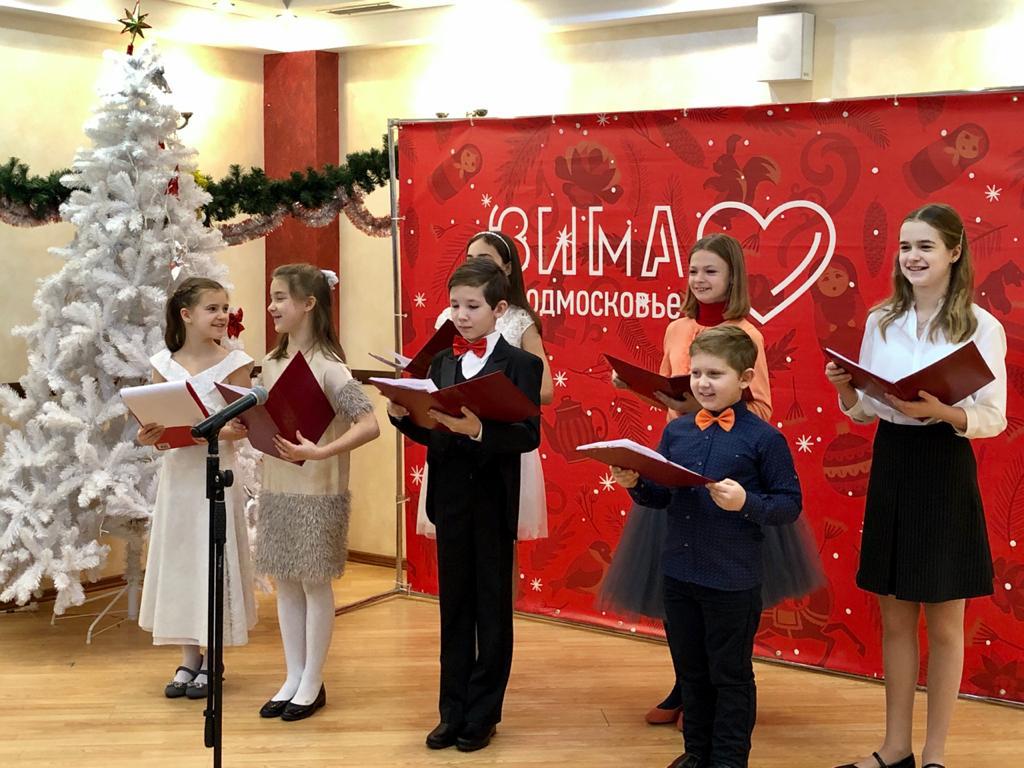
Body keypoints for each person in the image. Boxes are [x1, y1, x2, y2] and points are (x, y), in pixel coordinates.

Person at [599, 233, 820, 727]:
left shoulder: (747, 334)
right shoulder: (677, 328)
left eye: (711, 271)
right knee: (676, 594)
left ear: (733, 277)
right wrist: (639, 388)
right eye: (693, 270)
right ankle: (686, 687)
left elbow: (760, 409)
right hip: (679, 468)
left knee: (720, 600)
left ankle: (718, 696)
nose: (699, 280)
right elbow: (673, 397)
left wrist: (698, 406)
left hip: (727, 483)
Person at [828, 204, 1007, 768]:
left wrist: (942, 411)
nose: (912, 256)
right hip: (894, 460)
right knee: (896, 618)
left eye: (925, 246)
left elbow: (993, 416)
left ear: (954, 252)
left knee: (946, 622)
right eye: (905, 246)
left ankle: (934, 755)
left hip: (944, 463)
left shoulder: (981, 326)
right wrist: (846, 388)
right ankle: (895, 748)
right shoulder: (881, 320)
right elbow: (865, 410)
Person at [612, 325, 802, 768]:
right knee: (691, 671)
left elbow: (789, 505)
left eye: (715, 374)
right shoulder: (677, 433)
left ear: (745, 378)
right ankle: (696, 752)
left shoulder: (765, 439)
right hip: (680, 573)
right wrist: (635, 483)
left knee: (730, 675)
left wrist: (746, 502)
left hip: (732, 579)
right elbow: (662, 497)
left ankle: (730, 760)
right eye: (696, 373)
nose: (702, 383)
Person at [387, 258, 543, 752]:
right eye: (454, 305)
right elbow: (435, 431)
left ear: (499, 309)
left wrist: (478, 430)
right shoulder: (441, 363)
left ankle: (483, 714)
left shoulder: (522, 365)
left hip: (493, 503)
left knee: (492, 611)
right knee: (453, 610)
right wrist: (403, 416)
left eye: (472, 306)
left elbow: (527, 435)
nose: (461, 314)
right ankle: (450, 712)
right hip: (451, 501)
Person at [255, 264, 380, 722]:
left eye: (280, 297)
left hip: (317, 492)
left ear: (309, 304)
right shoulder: (270, 363)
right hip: (278, 487)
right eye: (271, 296)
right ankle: (292, 675)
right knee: (286, 582)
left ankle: (313, 679)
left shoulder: (330, 367)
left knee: (313, 581)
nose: (272, 306)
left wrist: (322, 450)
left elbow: (369, 423)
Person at [137, 276, 257, 700]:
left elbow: (242, 427)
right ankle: (189, 657)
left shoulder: (236, 363)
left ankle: (214, 658)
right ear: (186, 315)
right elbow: (158, 427)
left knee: (213, 559)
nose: (222, 315)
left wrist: (218, 432)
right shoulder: (163, 364)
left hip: (216, 475)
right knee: (182, 563)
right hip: (178, 479)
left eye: (225, 308)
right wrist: (150, 435)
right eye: (212, 308)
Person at [417, 229, 552, 541]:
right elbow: (435, 378)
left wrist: (493, 398)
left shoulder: (519, 320)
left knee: (499, 542)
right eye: (469, 259)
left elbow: (544, 390)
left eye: (485, 259)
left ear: (507, 268)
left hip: (499, 444)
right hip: (452, 449)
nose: (475, 265)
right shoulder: (450, 318)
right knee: (453, 541)